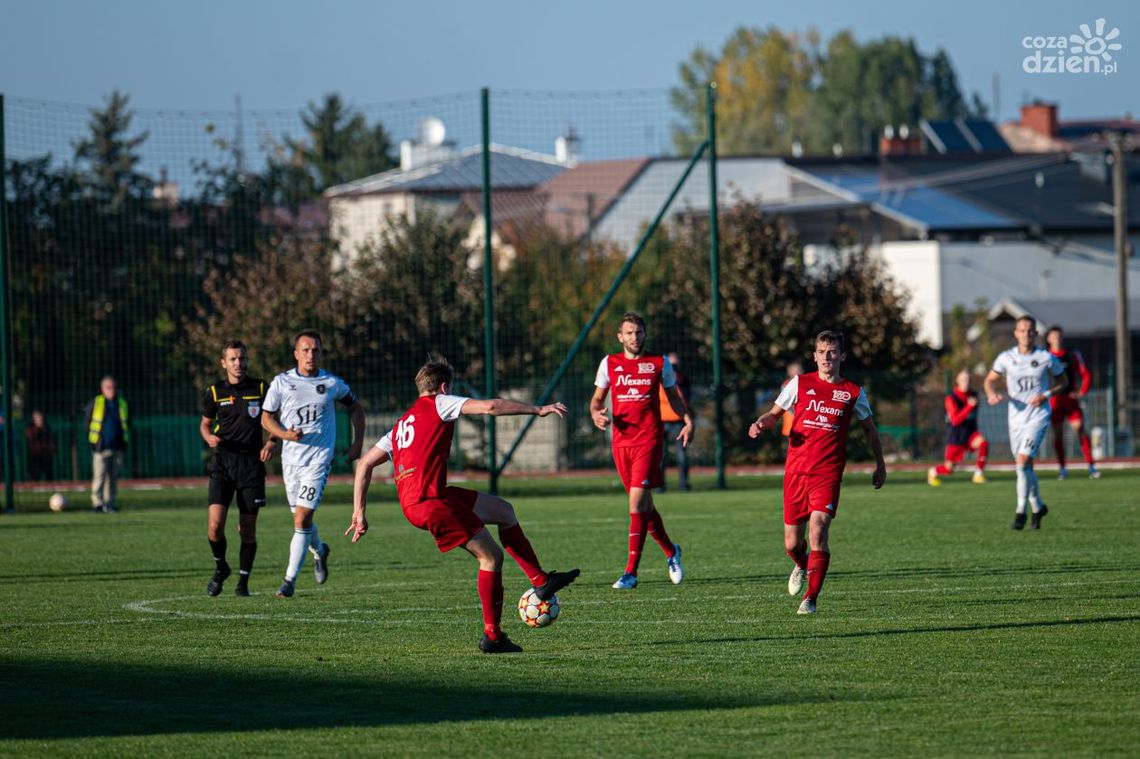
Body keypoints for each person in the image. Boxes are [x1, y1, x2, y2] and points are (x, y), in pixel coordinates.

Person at [347, 358, 580, 654]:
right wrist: (538, 409)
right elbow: (491, 407)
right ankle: (493, 637)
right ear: (444, 387)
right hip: (430, 501)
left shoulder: (401, 423)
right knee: (491, 557)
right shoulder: (439, 403)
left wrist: (359, 512)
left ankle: (542, 580)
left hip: (426, 498)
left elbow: (365, 464)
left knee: (503, 511)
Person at [749, 330, 886, 615]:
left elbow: (870, 431)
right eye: (822, 351)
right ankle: (801, 564)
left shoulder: (853, 392)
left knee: (819, 529)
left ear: (842, 356)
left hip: (828, 474)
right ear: (814, 356)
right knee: (791, 543)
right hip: (796, 473)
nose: (827, 356)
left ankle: (810, 599)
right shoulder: (799, 384)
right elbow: (774, 414)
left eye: (833, 351)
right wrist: (760, 423)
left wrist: (880, 464)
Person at [590, 312, 693, 590]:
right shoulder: (609, 363)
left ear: (645, 334)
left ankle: (630, 572)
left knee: (636, 505)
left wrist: (687, 420)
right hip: (621, 443)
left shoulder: (660, 363)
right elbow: (596, 401)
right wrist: (597, 415)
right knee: (644, 507)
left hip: (649, 440)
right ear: (620, 336)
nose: (635, 337)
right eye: (630, 333)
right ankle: (671, 551)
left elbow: (673, 397)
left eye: (639, 332)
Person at [261, 330, 364, 599]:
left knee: (302, 517)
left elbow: (356, 408)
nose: (311, 354)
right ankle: (319, 550)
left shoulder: (331, 383)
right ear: (296, 354)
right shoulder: (282, 383)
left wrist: (357, 444)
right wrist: (282, 436)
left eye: (316, 350)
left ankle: (288, 581)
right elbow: (267, 418)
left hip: (318, 461)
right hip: (291, 461)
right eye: (305, 350)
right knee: (300, 519)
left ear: (321, 353)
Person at [199, 340, 279, 597]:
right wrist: (208, 437)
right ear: (224, 363)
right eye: (233, 359)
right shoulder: (214, 391)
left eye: (242, 358)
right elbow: (204, 424)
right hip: (223, 463)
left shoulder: (261, 388)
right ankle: (221, 567)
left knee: (247, 528)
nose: (239, 363)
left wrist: (272, 441)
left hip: (251, 466)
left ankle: (243, 583)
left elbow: (274, 421)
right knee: (214, 526)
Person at [984, 316, 1067, 530]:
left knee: (1021, 464)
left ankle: (1020, 512)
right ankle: (1038, 506)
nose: (1026, 334)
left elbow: (1063, 381)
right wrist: (991, 394)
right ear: (1016, 333)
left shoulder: (1046, 357)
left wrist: (1046, 394)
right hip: (1015, 418)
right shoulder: (1006, 358)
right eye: (1022, 330)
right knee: (1025, 467)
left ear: (1036, 334)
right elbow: (989, 380)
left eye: (1030, 331)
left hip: (1038, 416)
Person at [1045, 326, 1100, 480]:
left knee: (1079, 428)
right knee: (1057, 435)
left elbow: (1086, 374)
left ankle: (1091, 465)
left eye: (1060, 336)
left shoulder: (1072, 354)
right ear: (1049, 339)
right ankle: (1062, 468)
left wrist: (1081, 392)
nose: (1057, 339)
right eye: (1054, 336)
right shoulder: (1044, 355)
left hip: (1070, 399)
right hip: (1054, 400)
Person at [927, 369, 989, 486]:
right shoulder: (951, 398)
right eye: (963, 379)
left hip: (970, 434)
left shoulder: (974, 395)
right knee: (949, 469)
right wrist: (969, 406)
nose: (966, 382)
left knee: (983, 443)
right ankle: (933, 471)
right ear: (957, 381)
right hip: (956, 436)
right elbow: (955, 420)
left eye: (968, 380)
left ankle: (978, 474)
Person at [84, 375, 128, 513]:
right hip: (101, 447)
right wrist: (94, 442)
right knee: (100, 476)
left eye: (114, 387)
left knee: (113, 477)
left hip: (117, 446)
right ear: (103, 389)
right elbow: (87, 423)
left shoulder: (121, 403)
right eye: (109, 388)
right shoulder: (96, 403)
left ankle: (110, 503)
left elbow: (126, 423)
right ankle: (97, 503)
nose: (112, 390)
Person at [657, 351, 692, 492]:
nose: (674, 368)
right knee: (660, 456)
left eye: (676, 365)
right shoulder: (659, 378)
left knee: (682, 456)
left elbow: (684, 400)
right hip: (661, 421)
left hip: (678, 421)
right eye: (671, 365)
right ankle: (660, 486)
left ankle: (684, 485)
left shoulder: (683, 381)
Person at [25, 410, 56, 482]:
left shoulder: (47, 428)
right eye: (38, 418)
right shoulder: (31, 428)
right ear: (34, 419)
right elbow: (31, 438)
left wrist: (52, 447)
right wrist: (38, 429)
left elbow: (51, 440)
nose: (40, 420)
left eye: (40, 418)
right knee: (34, 476)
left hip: (46, 455)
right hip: (35, 456)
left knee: (49, 476)